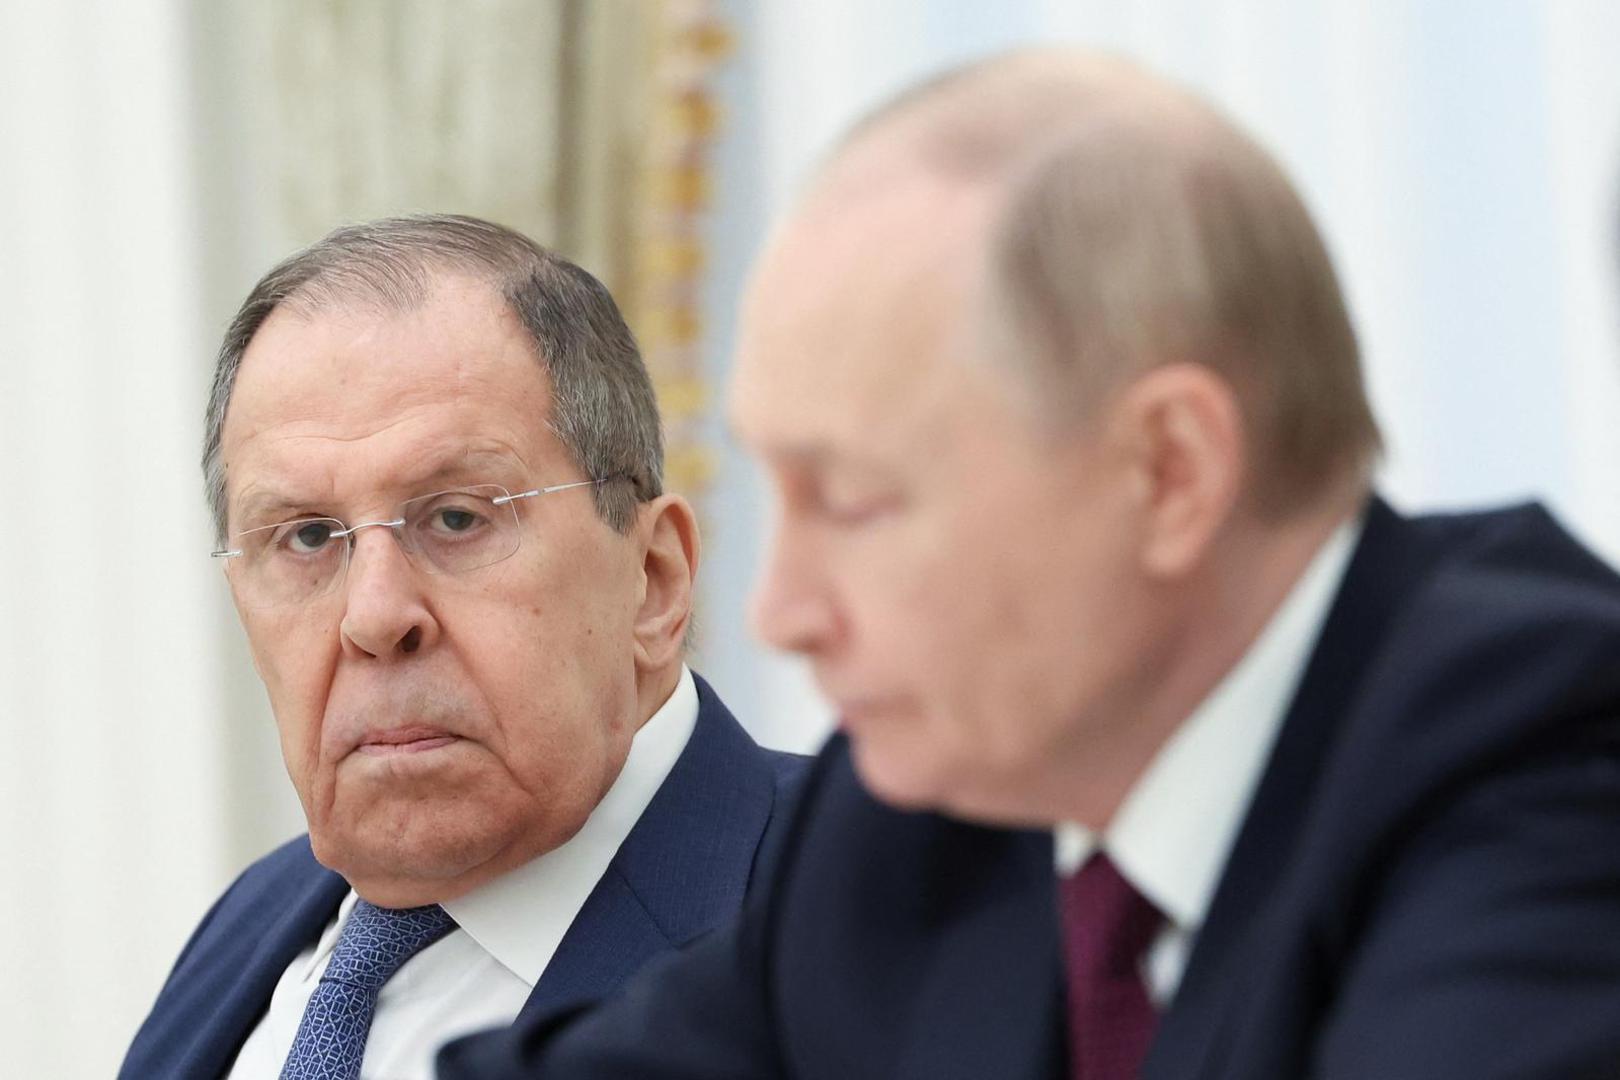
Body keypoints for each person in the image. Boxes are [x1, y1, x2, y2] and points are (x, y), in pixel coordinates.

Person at [437, 49, 1620, 1080]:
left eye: (852, 500)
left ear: (1169, 471)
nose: (779, 612)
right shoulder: (919, 817)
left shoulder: (1547, 754)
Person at [118, 215, 806, 1080]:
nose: (374, 616)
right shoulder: (251, 924)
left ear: (654, 579)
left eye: (456, 518)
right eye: (307, 537)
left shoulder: (868, 924)